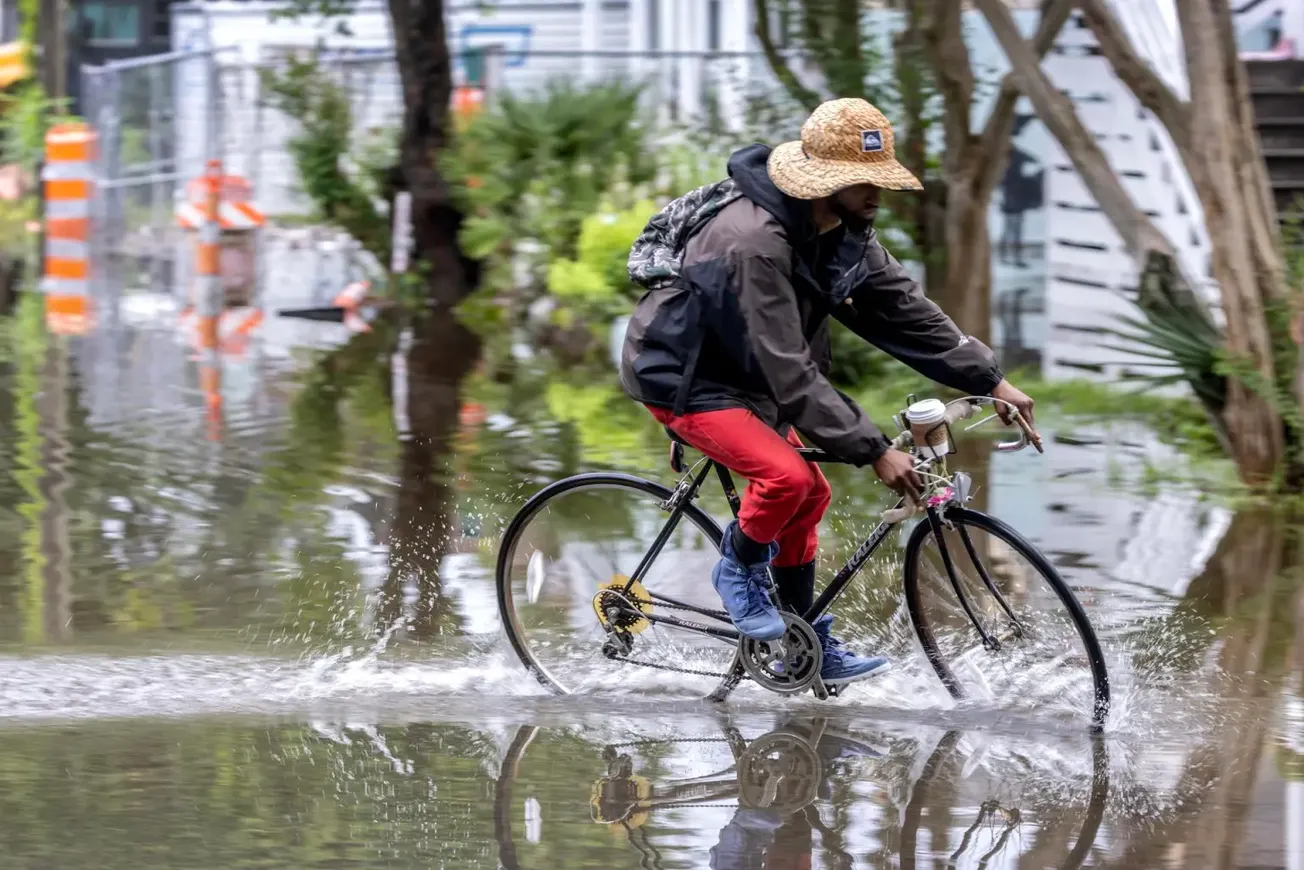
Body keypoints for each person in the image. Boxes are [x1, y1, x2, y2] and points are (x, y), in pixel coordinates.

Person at [620, 98, 1035, 685]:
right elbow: (788, 367)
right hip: (689, 379)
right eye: (862, 181)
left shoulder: (844, 231)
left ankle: (801, 639)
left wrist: (992, 380)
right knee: (785, 478)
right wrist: (872, 448)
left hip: (755, 378)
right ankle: (736, 569)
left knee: (811, 495)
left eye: (879, 179)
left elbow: (905, 309)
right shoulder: (753, 243)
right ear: (823, 181)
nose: (877, 194)